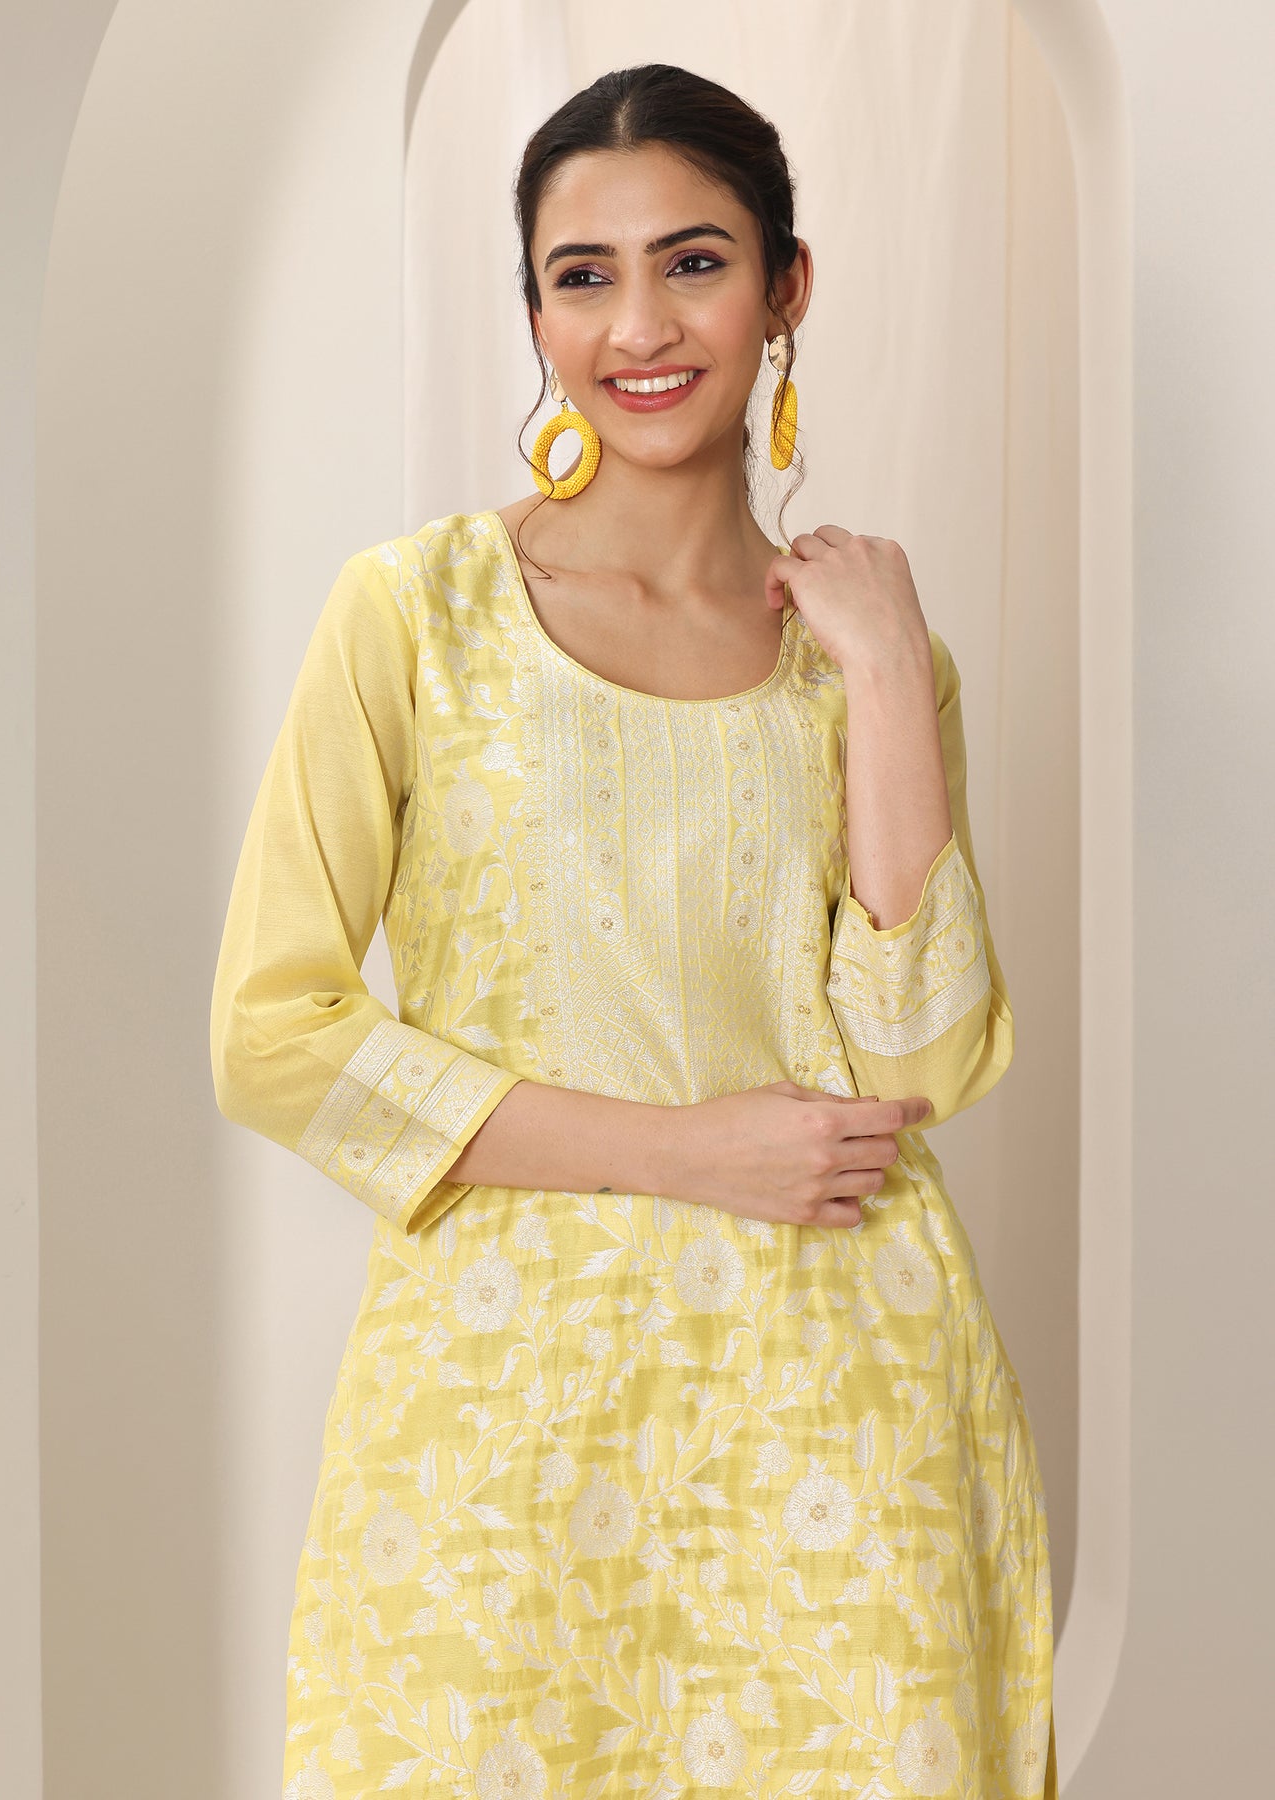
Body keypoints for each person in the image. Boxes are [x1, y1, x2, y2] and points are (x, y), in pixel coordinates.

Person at [210, 61, 1056, 1800]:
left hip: (839, 1402)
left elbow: (920, 1056)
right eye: (580, 276)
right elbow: (271, 1038)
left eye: (695, 262)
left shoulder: (866, 656)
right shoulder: (417, 616)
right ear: (533, 314)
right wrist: (684, 1152)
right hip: (505, 1415)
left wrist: (883, 672)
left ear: (785, 287)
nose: (638, 325)